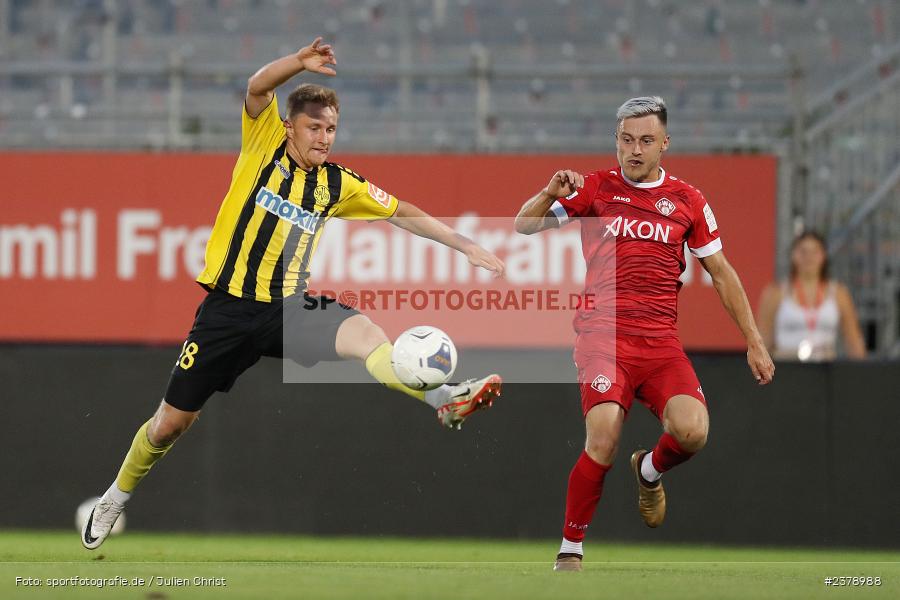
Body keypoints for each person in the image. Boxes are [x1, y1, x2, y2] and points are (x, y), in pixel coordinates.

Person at [81, 37, 504, 551]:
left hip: (289, 307)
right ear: (289, 126)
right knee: (170, 425)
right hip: (227, 311)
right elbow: (257, 87)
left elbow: (402, 212)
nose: (324, 139)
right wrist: (298, 64)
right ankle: (115, 497)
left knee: (366, 334)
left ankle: (443, 397)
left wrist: (463, 244)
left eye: (331, 130)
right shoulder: (262, 144)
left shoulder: (336, 184)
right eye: (314, 128)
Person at [514, 96, 775, 571]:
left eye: (646, 141)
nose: (635, 150)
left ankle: (649, 470)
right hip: (603, 336)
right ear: (616, 140)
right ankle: (570, 549)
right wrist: (549, 193)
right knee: (603, 435)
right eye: (627, 140)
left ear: (664, 144)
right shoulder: (595, 188)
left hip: (659, 344)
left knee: (693, 432)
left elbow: (721, 272)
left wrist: (754, 342)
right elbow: (523, 226)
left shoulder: (688, 200)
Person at [757, 231, 866, 361]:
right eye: (803, 252)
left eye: (815, 252)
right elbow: (763, 340)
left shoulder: (839, 294)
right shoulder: (775, 293)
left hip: (825, 366)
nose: (809, 257)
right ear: (793, 255)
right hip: (786, 364)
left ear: (823, 256)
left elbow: (853, 340)